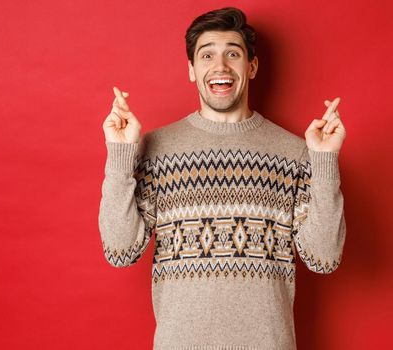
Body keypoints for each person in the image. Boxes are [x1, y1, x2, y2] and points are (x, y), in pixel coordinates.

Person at [98, 6, 346, 350]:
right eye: (207, 55)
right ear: (191, 69)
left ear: (252, 66)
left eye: (233, 53)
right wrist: (120, 154)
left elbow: (325, 258)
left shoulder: (296, 153)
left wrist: (324, 160)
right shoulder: (156, 148)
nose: (220, 66)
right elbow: (119, 251)